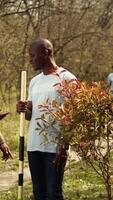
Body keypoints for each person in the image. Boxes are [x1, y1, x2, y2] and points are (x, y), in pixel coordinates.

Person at [16, 38, 78, 200]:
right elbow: (31, 114)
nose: (30, 60)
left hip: (54, 147)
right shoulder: (35, 81)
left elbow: (74, 116)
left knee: (53, 193)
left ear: (46, 53)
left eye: (32, 55)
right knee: (39, 193)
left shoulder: (66, 78)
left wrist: (63, 146)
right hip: (34, 146)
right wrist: (23, 110)